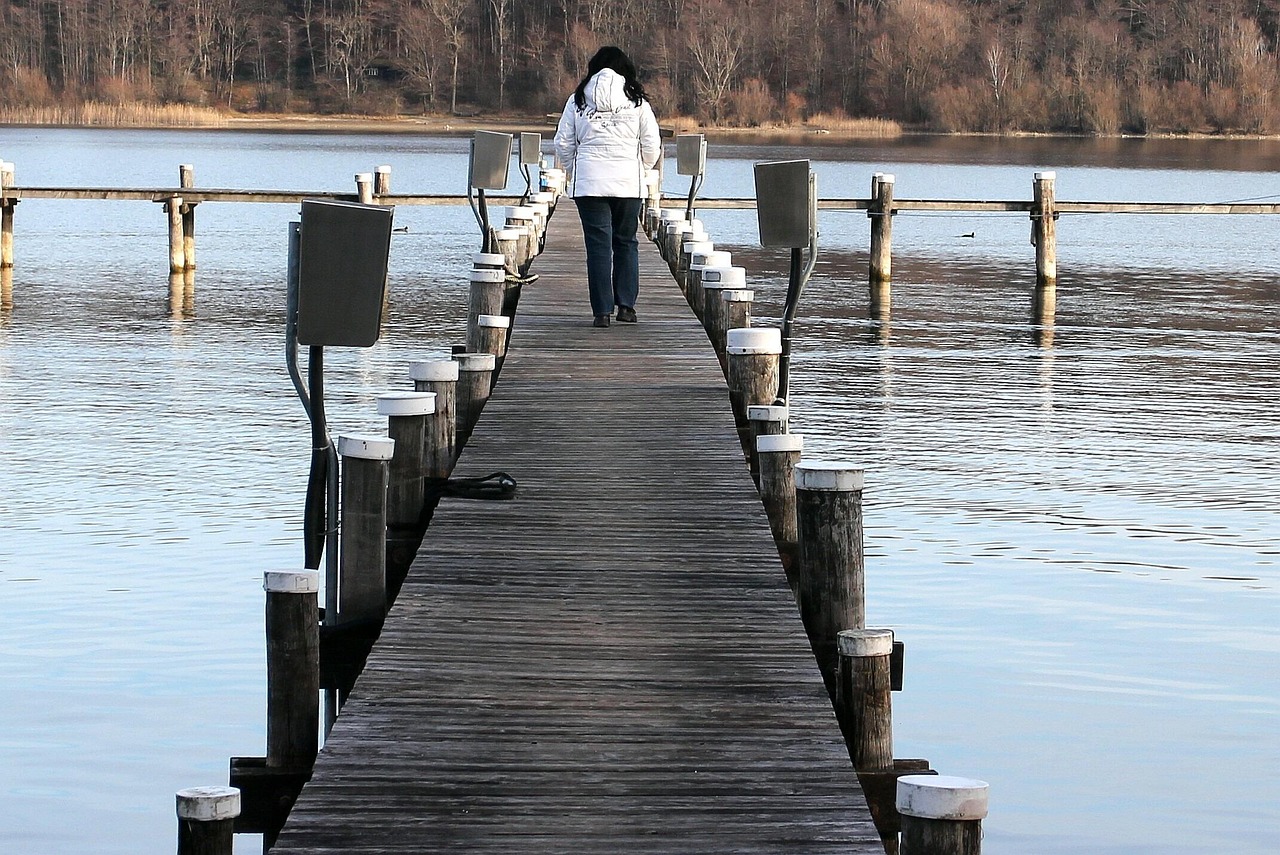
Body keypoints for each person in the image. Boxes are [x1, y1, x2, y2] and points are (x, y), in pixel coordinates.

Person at [554, 46, 662, 328]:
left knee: (598, 246)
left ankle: (601, 312)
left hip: (590, 183)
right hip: (628, 183)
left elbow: (563, 143)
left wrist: (576, 168)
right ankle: (626, 306)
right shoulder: (637, 102)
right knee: (626, 241)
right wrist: (642, 168)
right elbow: (652, 145)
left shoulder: (577, 100)